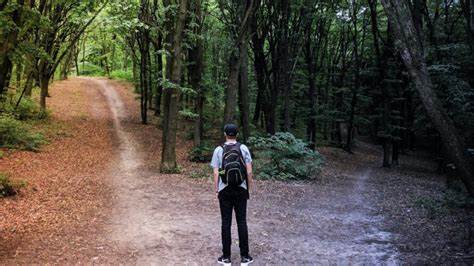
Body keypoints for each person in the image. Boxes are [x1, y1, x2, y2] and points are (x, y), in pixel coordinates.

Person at [211, 123, 254, 265]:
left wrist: (217, 187)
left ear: (225, 134)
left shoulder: (219, 150)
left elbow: (217, 171)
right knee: (242, 221)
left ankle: (226, 257)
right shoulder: (243, 148)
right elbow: (248, 171)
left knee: (226, 222)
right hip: (241, 189)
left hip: (225, 190)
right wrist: (249, 188)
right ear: (237, 134)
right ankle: (245, 257)